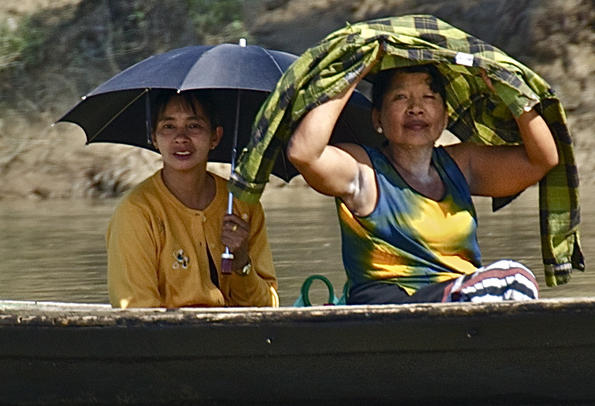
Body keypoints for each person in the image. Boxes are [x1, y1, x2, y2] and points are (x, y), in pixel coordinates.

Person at [285, 64, 558, 304]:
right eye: (401, 97)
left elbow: (542, 160)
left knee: (516, 280)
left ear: (445, 117)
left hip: (460, 300)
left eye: (428, 97)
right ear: (377, 118)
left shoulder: (460, 165)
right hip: (388, 311)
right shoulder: (364, 168)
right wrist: (353, 74)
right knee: (511, 279)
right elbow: (304, 153)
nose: (416, 108)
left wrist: (514, 96)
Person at [107, 91, 279, 308]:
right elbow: (137, 311)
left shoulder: (242, 205)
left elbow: (267, 307)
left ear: (215, 137)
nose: (181, 138)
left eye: (194, 126)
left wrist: (242, 263)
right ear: (154, 138)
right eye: (168, 127)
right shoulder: (137, 212)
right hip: (168, 337)